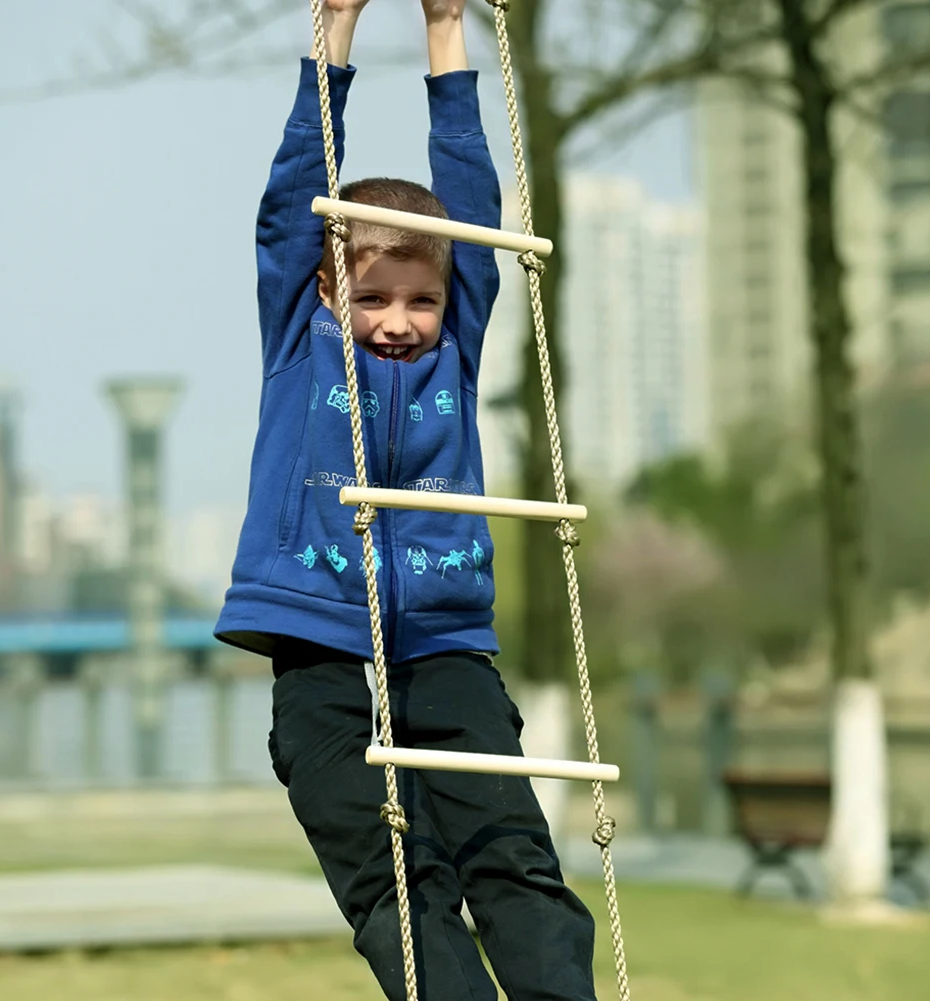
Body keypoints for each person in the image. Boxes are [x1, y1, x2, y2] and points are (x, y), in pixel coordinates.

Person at [214, 1, 598, 998]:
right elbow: (294, 194)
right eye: (373, 295)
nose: (397, 321)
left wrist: (445, 29)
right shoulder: (299, 337)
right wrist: (335, 29)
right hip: (316, 637)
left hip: (442, 639)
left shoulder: (453, 354)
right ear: (326, 289)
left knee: (508, 854)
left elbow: (466, 203)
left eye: (421, 299)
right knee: (390, 873)